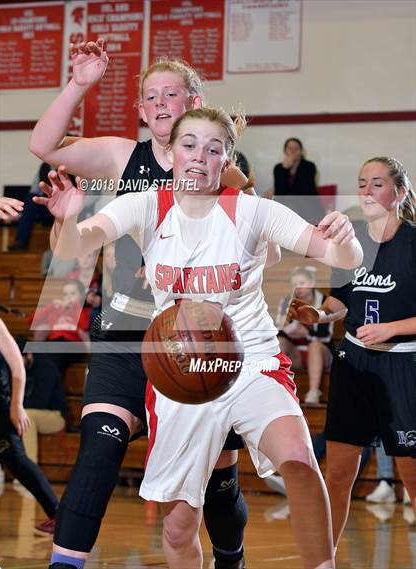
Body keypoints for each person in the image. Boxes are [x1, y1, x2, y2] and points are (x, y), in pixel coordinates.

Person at [39, 106, 363, 569]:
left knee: (298, 457)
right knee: (178, 528)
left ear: (226, 161)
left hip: (251, 363)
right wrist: (67, 218)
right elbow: (71, 246)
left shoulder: (253, 211)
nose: (198, 157)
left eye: (213, 150)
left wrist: (346, 237)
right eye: (189, 145)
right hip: (181, 376)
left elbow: (342, 256)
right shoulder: (145, 204)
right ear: (170, 154)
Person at [29, 40, 253, 569]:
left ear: (192, 102)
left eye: (170, 94)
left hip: (194, 341)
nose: (158, 103)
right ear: (140, 109)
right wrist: (81, 83)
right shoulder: (119, 157)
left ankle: (230, 557)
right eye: (149, 96)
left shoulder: (222, 169)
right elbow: (44, 144)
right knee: (99, 448)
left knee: (214, 485)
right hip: (125, 333)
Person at [289, 156, 416, 548]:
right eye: (362, 182)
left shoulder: (413, 242)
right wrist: (319, 314)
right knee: (339, 475)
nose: (366, 191)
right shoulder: (351, 239)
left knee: (412, 479)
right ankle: (324, 560)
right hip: (355, 362)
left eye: (377, 183)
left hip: (403, 365)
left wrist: (390, 328)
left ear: (398, 193)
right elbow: (341, 300)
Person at [0, 315, 59, 535]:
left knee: (18, 462)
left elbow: (17, 367)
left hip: (0, 407)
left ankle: (58, 515)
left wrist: (16, 405)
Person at [275, 265, 334, 404]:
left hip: (321, 353)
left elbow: (327, 336)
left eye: (302, 283)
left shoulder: (325, 302)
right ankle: (279, 390)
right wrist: (287, 329)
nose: (298, 288)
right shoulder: (286, 301)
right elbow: (278, 329)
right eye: (294, 284)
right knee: (279, 342)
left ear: (312, 283)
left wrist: (307, 333)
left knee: (314, 345)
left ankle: (313, 392)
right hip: (297, 353)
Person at [266, 137, 324, 224]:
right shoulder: (279, 168)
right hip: (286, 205)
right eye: (290, 148)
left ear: (301, 151)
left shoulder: (309, 166)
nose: (293, 151)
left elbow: (302, 190)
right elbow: (280, 193)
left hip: (307, 203)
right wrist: (285, 169)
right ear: (285, 151)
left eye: (296, 148)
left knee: (290, 206)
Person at [8, 162, 54, 251]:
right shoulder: (45, 166)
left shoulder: (73, 167)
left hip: (65, 211)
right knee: (31, 198)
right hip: (48, 209)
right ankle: (20, 241)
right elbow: (35, 191)